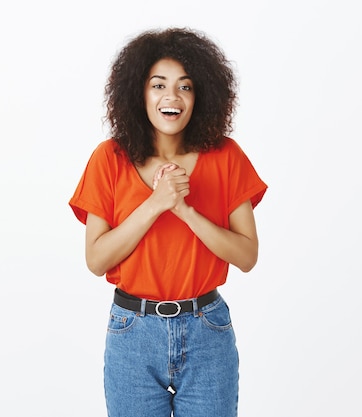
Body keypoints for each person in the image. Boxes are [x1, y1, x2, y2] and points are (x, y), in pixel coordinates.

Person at [68, 27, 267, 417]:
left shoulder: (226, 156)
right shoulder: (108, 158)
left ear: (201, 96)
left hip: (207, 330)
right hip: (132, 333)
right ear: (138, 93)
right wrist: (156, 203)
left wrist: (186, 212)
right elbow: (96, 260)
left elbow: (247, 256)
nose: (171, 97)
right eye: (158, 85)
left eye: (185, 87)